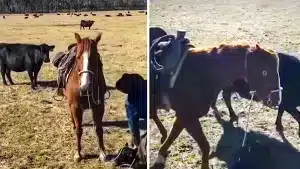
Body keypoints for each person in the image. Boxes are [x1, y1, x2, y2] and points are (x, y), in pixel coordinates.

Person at [115, 73, 147, 147]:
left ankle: (137, 146)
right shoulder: (146, 85)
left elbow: (133, 127)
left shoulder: (130, 103)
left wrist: (136, 145)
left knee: (134, 124)